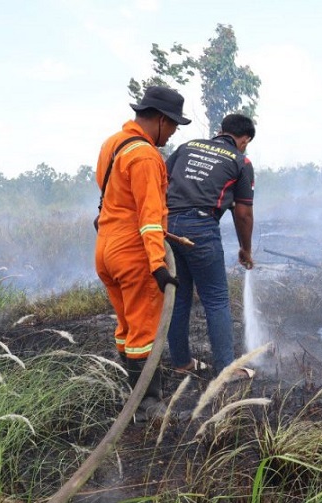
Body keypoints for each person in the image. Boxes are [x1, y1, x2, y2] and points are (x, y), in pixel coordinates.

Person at [94, 86, 190, 403]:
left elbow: (113, 195)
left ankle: (131, 396)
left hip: (106, 250)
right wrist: (158, 265)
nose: (173, 132)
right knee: (145, 332)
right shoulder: (146, 156)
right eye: (174, 125)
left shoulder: (113, 144)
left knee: (127, 327)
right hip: (133, 253)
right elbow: (149, 218)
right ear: (161, 119)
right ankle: (148, 407)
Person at [165, 113, 256, 379]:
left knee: (179, 296)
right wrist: (245, 250)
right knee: (216, 299)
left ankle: (182, 363)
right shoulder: (241, 161)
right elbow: (243, 213)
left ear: (220, 131)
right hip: (201, 228)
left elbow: (161, 181)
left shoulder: (187, 147)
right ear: (244, 140)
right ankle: (226, 370)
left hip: (167, 226)